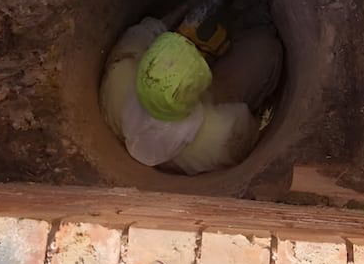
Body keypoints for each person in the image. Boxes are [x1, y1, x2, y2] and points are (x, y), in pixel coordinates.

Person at [100, 16, 283, 174]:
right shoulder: (222, 136)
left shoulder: (120, 74)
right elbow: (250, 126)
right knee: (267, 48)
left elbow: (145, 30)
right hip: (213, 105)